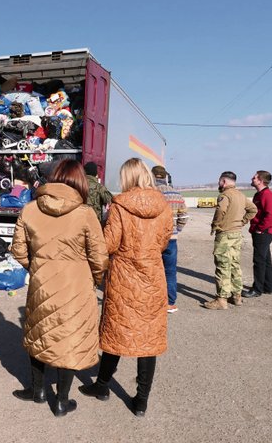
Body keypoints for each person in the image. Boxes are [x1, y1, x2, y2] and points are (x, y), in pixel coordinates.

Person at [10, 160, 109, 417]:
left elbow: (18, 250)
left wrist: (37, 270)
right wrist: (92, 280)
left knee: (39, 335)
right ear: (79, 181)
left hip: (42, 283)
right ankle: (62, 401)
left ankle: (38, 391)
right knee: (69, 340)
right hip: (76, 285)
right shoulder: (85, 213)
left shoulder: (30, 210)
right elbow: (99, 258)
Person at [79, 158, 172, 417]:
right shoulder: (162, 206)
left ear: (128, 178)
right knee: (148, 340)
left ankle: (102, 386)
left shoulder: (120, 205)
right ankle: (141, 401)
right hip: (152, 277)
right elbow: (164, 239)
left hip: (124, 276)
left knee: (116, 332)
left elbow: (109, 243)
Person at [204, 171, 257, 309]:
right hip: (237, 234)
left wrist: (215, 224)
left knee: (223, 266)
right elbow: (253, 209)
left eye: (220, 181)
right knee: (234, 265)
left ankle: (221, 300)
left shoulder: (225, 195)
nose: (219, 184)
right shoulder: (240, 195)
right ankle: (237, 296)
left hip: (225, 234)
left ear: (224, 181)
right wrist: (242, 222)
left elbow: (221, 210)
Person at [151, 166, 189, 313]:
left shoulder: (152, 193)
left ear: (153, 176)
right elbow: (184, 217)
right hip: (171, 239)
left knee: (153, 270)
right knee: (170, 271)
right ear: (165, 177)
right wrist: (176, 230)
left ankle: (153, 301)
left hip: (154, 238)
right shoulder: (176, 194)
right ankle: (170, 302)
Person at [243, 170, 272, 298]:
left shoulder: (268, 195)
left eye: (255, 177)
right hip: (259, 230)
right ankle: (268, 287)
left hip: (264, 232)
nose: (252, 178)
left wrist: (260, 229)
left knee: (259, 260)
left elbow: (271, 215)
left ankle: (257, 289)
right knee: (265, 259)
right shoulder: (258, 195)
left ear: (261, 180)